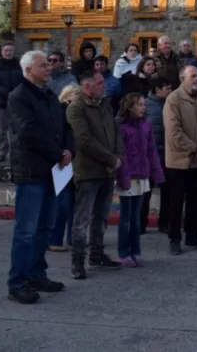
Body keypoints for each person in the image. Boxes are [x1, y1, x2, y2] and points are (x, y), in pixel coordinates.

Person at [6, 50, 74, 304]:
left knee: (45, 227)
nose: (48, 68)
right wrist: (58, 152)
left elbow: (65, 126)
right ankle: (17, 283)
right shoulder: (19, 97)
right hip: (31, 171)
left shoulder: (49, 96)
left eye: (49, 64)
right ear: (28, 71)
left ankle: (36, 274)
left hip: (52, 171)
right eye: (43, 65)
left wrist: (69, 149)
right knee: (26, 230)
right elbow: (27, 132)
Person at [67, 70, 124, 279]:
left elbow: (116, 132)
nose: (104, 86)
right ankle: (78, 260)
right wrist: (110, 158)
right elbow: (83, 140)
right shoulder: (76, 108)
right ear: (87, 85)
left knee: (101, 216)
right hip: (88, 170)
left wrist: (117, 156)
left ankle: (97, 254)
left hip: (108, 170)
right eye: (99, 83)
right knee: (82, 219)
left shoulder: (105, 106)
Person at [163, 65, 197, 255]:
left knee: (196, 200)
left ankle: (193, 235)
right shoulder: (173, 100)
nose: (196, 78)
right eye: (192, 75)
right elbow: (174, 132)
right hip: (179, 161)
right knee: (177, 201)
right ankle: (174, 238)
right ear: (182, 78)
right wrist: (194, 149)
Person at [114, 92, 165, 267]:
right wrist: (123, 177)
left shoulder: (146, 126)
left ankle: (136, 250)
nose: (143, 108)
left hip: (142, 176)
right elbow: (121, 153)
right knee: (125, 217)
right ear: (130, 107)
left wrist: (157, 173)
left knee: (136, 217)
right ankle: (123, 251)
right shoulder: (121, 127)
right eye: (140, 105)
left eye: (144, 104)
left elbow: (151, 151)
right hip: (128, 175)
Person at [49, 83, 82, 252]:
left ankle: (72, 237)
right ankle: (56, 238)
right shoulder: (61, 112)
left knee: (73, 202)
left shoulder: (77, 112)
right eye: (76, 94)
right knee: (63, 201)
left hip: (74, 159)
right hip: (63, 159)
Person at [141, 77, 173, 234]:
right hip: (149, 154)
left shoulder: (172, 104)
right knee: (145, 191)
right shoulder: (145, 105)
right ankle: (141, 223)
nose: (170, 91)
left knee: (167, 191)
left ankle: (164, 223)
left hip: (168, 154)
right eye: (167, 88)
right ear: (157, 90)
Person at [0, 42, 24, 163]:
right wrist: (6, 93)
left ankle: (16, 153)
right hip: (1, 101)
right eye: (6, 50)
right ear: (2, 52)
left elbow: (24, 80)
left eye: (10, 50)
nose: (8, 53)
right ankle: (1, 153)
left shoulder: (19, 65)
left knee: (17, 129)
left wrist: (16, 93)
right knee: (2, 129)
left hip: (17, 101)